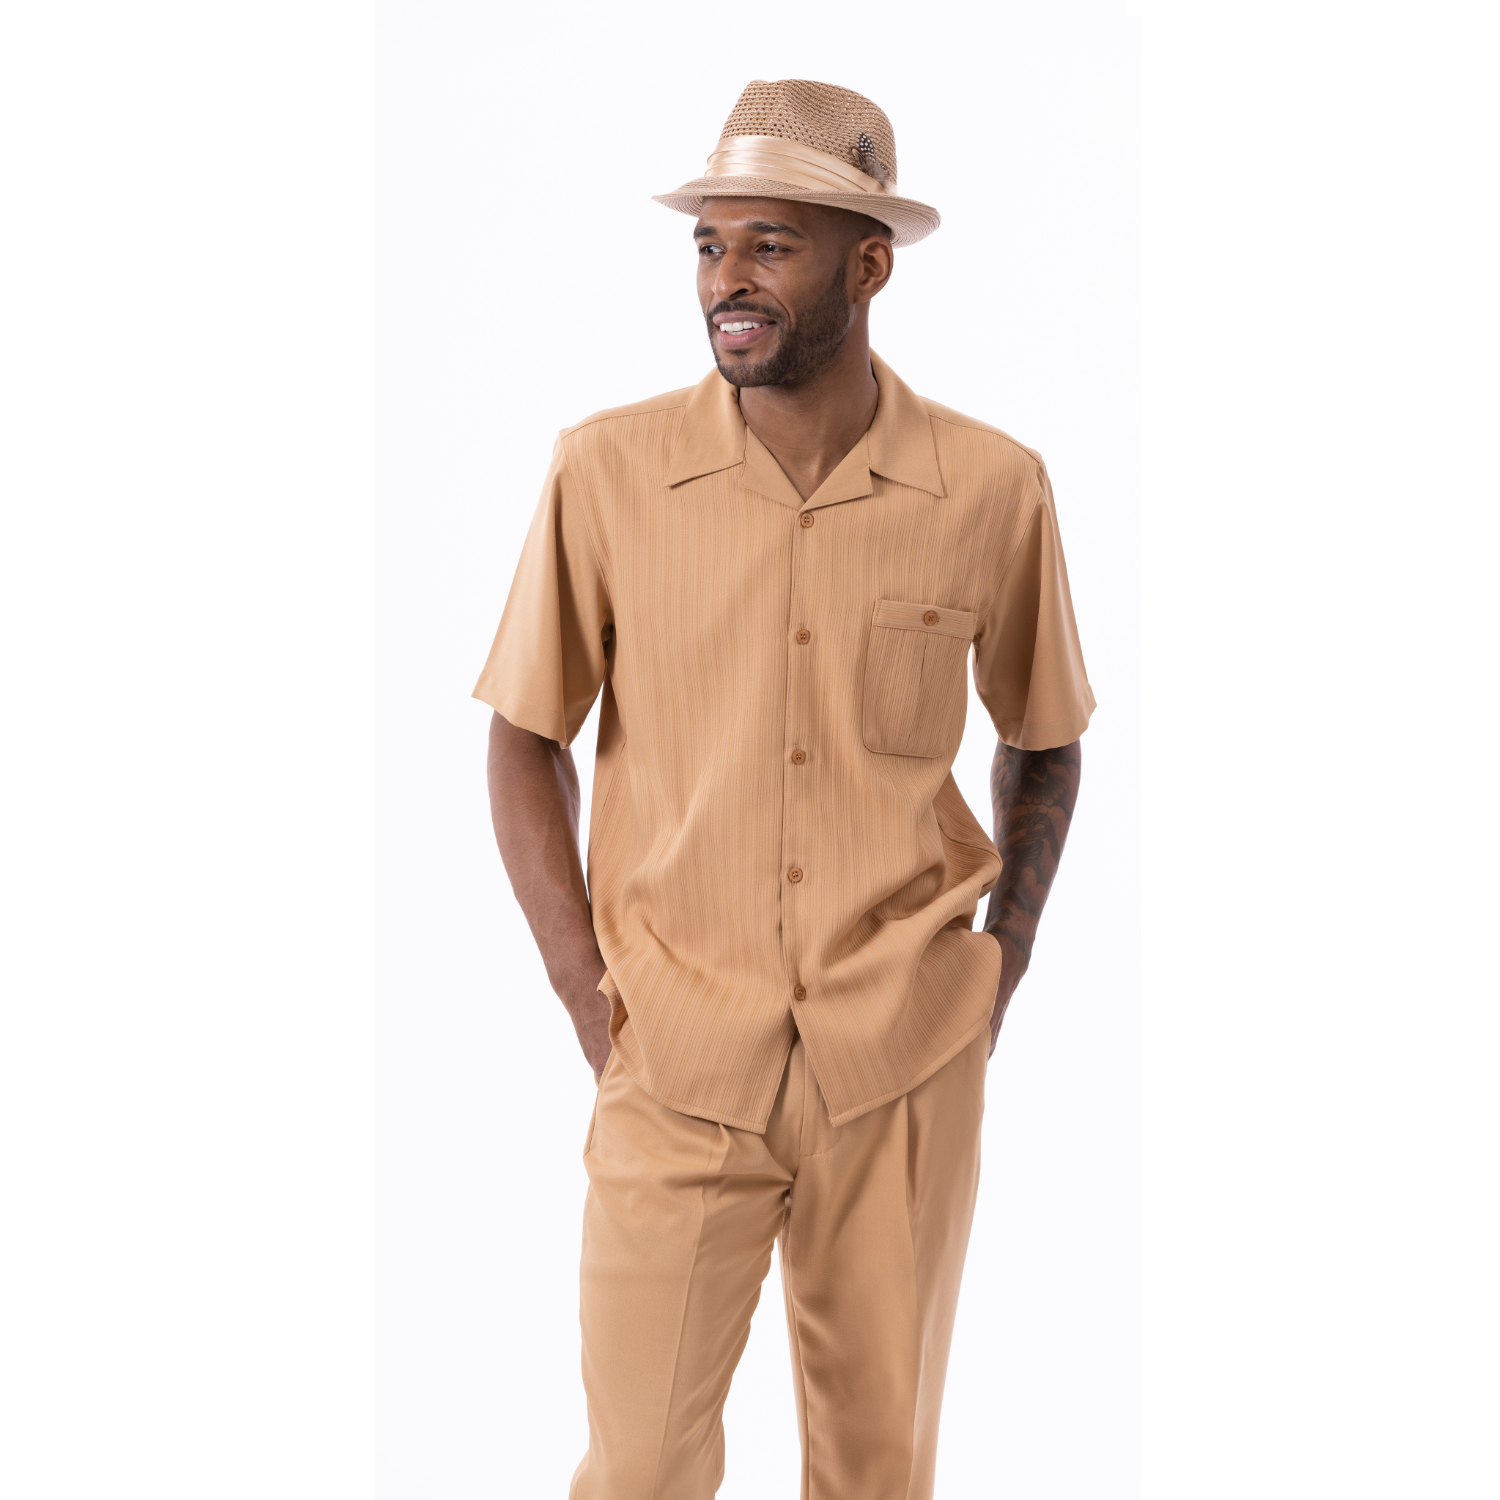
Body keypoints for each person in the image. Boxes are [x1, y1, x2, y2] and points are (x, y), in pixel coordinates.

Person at [476, 78, 1095, 1500]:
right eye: (710, 244)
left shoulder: (993, 488)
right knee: (638, 1467)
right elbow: (524, 735)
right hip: (676, 1051)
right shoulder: (607, 471)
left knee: (878, 1471)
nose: (727, 280)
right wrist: (586, 993)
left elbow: (1046, 734)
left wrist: (997, 974)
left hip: (902, 1058)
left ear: (869, 266)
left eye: (771, 245)